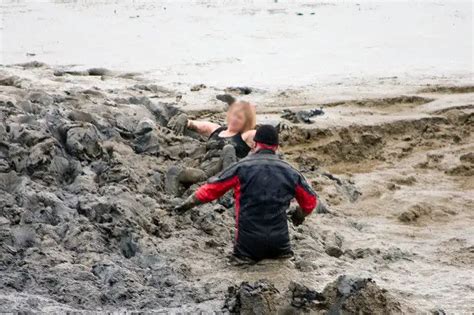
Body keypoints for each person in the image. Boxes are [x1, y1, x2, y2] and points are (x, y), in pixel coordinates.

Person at [174, 125, 318, 261]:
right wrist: (298, 215)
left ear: (255, 145)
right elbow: (310, 202)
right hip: (280, 244)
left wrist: (185, 206)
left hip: (248, 245)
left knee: (241, 269)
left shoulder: (241, 168)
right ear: (276, 147)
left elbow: (210, 191)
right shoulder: (291, 172)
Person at [165, 101, 257, 196]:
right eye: (234, 115)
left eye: (240, 118)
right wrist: (183, 118)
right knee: (173, 171)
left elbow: (265, 136)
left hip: (225, 173)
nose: (235, 119)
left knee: (228, 148)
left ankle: (228, 192)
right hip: (205, 172)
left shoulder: (246, 135)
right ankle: (170, 199)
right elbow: (192, 124)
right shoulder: (216, 129)